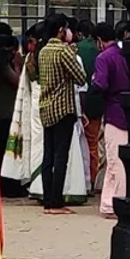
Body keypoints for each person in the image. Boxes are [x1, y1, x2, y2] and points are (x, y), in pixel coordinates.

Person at [37, 13, 87, 215]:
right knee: (60, 156)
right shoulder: (64, 51)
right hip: (63, 108)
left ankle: (48, 199)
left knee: (47, 155)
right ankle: (56, 202)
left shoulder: (43, 51)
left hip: (46, 107)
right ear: (60, 30)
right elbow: (81, 77)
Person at [92, 22, 130, 219]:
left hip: (113, 113)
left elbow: (100, 83)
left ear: (99, 40)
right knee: (115, 160)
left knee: (115, 161)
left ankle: (117, 201)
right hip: (127, 110)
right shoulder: (125, 55)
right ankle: (108, 203)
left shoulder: (104, 58)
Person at [0, 30, 24, 197]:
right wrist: (18, 65)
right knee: (7, 152)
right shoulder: (2, 63)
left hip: (0, 113)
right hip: (5, 114)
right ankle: (8, 186)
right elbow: (17, 82)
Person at [75, 19, 102, 189]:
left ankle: (82, 180)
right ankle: (92, 179)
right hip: (97, 101)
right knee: (93, 142)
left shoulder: (77, 49)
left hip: (79, 101)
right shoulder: (100, 51)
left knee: (80, 142)